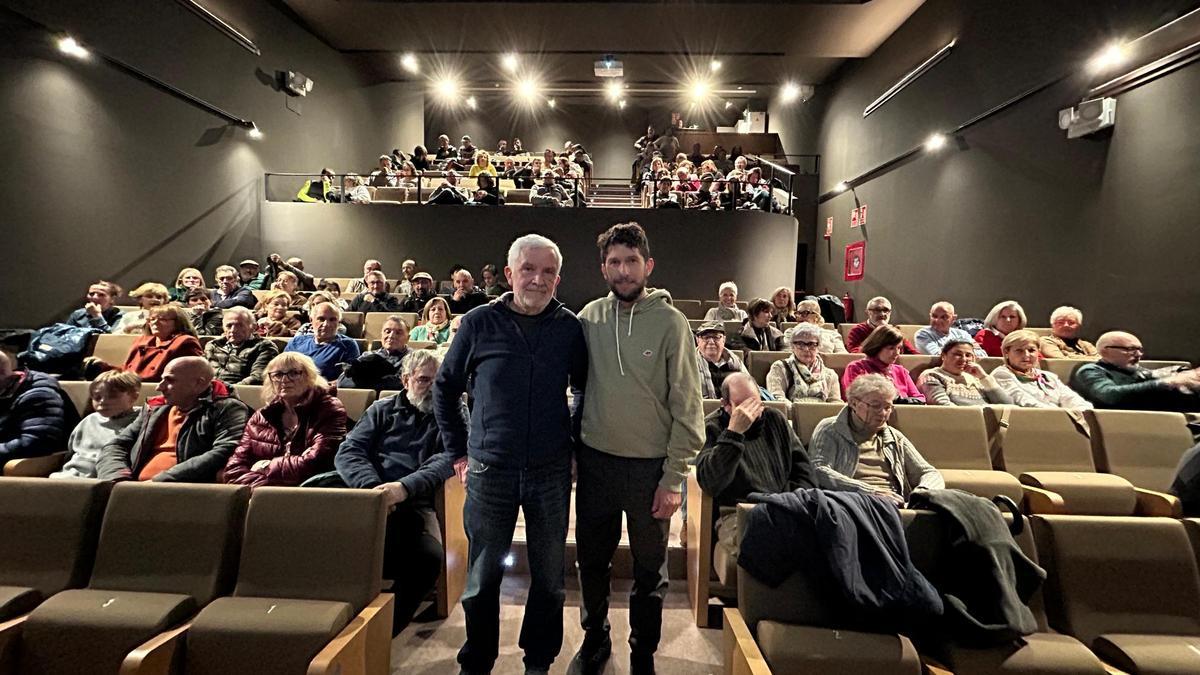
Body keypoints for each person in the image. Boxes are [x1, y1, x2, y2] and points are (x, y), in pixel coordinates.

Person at [433, 234, 588, 674]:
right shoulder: (478, 322)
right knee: (482, 580)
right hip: (489, 470)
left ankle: (538, 660)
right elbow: (445, 388)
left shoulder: (569, 327)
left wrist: (574, 445)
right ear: (509, 273)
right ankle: (477, 660)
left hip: (550, 472)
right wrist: (458, 452)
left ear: (558, 279)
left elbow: (583, 390)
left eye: (548, 272)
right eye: (528, 269)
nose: (537, 280)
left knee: (550, 579)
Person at [574, 222, 704, 675]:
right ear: (603, 268)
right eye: (614, 262)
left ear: (648, 265)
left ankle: (642, 651)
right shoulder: (589, 317)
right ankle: (595, 638)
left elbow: (688, 406)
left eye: (632, 261)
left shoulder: (671, 322)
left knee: (650, 570)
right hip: (596, 464)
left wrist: (674, 478)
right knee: (592, 561)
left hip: (651, 471)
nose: (623, 271)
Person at [336, 349, 462, 633]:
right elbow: (350, 451)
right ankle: (337, 623)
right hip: (367, 497)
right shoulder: (382, 409)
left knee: (428, 560)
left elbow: (450, 457)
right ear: (405, 380)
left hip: (414, 502)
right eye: (424, 380)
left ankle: (381, 632)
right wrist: (373, 489)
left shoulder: (452, 412)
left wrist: (404, 488)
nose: (433, 388)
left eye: (439, 381)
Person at [96, 356, 251, 482]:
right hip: (132, 488)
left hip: (181, 493)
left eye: (170, 380)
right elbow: (116, 445)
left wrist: (160, 480)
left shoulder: (228, 409)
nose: (159, 387)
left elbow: (225, 451)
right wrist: (117, 478)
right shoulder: (155, 408)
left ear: (199, 384)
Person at [809, 374, 944, 506]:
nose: (883, 413)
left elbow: (929, 472)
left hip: (896, 502)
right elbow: (819, 470)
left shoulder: (893, 436)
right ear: (854, 403)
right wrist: (869, 491)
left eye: (887, 407)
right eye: (875, 406)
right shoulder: (831, 428)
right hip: (853, 501)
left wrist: (922, 492)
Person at [224, 352, 347, 488]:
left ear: (310, 377)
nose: (285, 380)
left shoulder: (329, 409)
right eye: (278, 375)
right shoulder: (260, 417)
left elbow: (317, 462)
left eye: (294, 373)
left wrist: (267, 466)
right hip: (262, 495)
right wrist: (266, 486)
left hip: (311, 492)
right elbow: (234, 469)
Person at [697, 372, 817, 508]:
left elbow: (805, 473)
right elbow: (710, 484)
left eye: (755, 403)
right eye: (742, 405)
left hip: (783, 505)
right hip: (739, 509)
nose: (750, 412)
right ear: (726, 405)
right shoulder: (711, 427)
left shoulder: (775, 419)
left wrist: (788, 501)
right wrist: (734, 433)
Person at [1070, 331, 1200, 412]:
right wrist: (1167, 382)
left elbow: (1154, 375)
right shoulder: (1090, 370)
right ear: (1105, 351)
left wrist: (1185, 376)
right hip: (1122, 425)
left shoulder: (1134, 370)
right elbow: (1109, 395)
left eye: (1139, 350)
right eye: (1131, 349)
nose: (1138, 355)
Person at [50, 370, 142, 480]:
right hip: (69, 474)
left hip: (104, 478)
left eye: (112, 396)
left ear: (134, 397)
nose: (103, 401)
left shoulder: (142, 420)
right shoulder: (89, 420)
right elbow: (70, 453)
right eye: (97, 397)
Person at [0, 351, 77, 464]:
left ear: (3, 374)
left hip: (30, 465)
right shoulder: (4, 389)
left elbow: (35, 443)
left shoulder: (39, 395)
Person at [98, 305, 204, 382]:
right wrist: (103, 367)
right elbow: (127, 370)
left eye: (162, 319)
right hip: (131, 387)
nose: (155, 322)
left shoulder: (185, 342)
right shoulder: (142, 341)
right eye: (152, 319)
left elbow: (191, 377)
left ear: (178, 323)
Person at [991, 330, 1092, 409]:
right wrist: (1060, 414)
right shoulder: (1001, 375)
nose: (1026, 355)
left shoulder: (1048, 376)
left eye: (1031, 350)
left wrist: (1083, 410)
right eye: (1019, 350)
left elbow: (1071, 398)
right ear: (1006, 353)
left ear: (1038, 352)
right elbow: (1024, 402)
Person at [841, 325, 925, 403]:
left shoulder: (900, 371)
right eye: (891, 348)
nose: (897, 353)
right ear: (877, 347)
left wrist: (904, 402)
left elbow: (920, 398)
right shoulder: (856, 367)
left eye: (899, 348)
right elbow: (857, 398)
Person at [917, 340, 1014, 406]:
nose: (964, 359)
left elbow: (1007, 404)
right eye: (957, 354)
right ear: (943, 356)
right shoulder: (931, 376)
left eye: (968, 355)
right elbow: (944, 407)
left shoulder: (976, 378)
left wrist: (983, 377)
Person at [283, 302, 361, 381]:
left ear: (338, 323)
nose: (326, 324)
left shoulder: (347, 345)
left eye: (332, 320)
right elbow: (282, 368)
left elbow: (350, 377)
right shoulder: (296, 342)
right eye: (321, 319)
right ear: (311, 320)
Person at [766, 323, 842, 403]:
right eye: (800, 344)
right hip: (790, 411)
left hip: (823, 411)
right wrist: (799, 409)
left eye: (811, 344)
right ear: (792, 346)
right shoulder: (780, 368)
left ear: (818, 347)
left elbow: (836, 403)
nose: (806, 349)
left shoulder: (830, 375)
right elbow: (777, 399)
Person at [205, 307, 280, 385]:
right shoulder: (213, 345)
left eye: (239, 325)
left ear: (253, 327)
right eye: (229, 326)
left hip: (243, 390)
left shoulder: (265, 347)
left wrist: (230, 389)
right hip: (212, 389)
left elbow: (257, 377)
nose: (233, 330)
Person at [337, 316, 410, 390]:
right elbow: (342, 381)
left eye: (398, 333)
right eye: (387, 331)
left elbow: (400, 383)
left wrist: (363, 379)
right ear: (382, 334)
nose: (391, 336)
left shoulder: (412, 358)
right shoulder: (368, 355)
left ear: (408, 338)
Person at [694, 321, 748, 399]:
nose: (711, 342)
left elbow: (749, 388)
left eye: (716, 337)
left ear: (724, 340)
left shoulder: (736, 362)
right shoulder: (689, 363)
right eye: (706, 337)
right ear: (697, 340)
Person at [846, 296, 919, 354]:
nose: (882, 314)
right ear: (867, 312)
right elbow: (855, 354)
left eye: (886, 310)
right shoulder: (858, 330)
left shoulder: (894, 332)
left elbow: (914, 354)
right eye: (877, 310)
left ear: (890, 313)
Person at [915, 301, 986, 357]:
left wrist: (950, 351)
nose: (937, 320)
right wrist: (968, 351)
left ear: (953, 318)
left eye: (944, 317)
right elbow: (938, 356)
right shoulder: (923, 334)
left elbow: (983, 354)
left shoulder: (962, 334)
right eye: (934, 316)